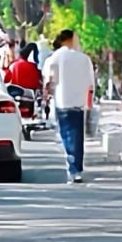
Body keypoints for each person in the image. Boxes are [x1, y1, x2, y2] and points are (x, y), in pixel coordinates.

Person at [44, 28, 96, 183]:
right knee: (77, 136)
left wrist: (46, 97)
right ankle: (76, 167)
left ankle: (73, 166)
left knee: (66, 135)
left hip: (62, 101)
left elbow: (49, 81)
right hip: (79, 103)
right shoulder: (84, 59)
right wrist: (89, 102)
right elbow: (91, 84)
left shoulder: (54, 58)